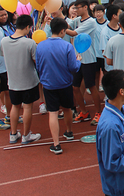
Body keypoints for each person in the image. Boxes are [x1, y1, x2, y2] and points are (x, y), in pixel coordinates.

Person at [36, 18, 81, 154]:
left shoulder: (40, 45)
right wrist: (78, 61)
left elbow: (38, 66)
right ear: (62, 31)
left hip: (49, 84)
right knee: (67, 109)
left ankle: (56, 143)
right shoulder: (67, 46)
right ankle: (69, 131)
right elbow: (73, 67)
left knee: (53, 113)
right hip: (65, 83)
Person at [0, 14, 41, 144]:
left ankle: (13, 134)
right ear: (28, 27)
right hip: (28, 80)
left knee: (15, 107)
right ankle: (26, 135)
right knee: (28, 107)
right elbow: (36, 61)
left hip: (12, 81)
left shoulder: (4, 41)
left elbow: (3, 54)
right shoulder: (29, 43)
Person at [65, 0, 102, 125]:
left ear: (85, 7)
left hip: (89, 59)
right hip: (78, 58)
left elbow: (73, 33)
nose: (75, 10)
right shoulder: (78, 20)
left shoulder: (91, 22)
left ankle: (98, 112)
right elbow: (68, 24)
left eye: (78, 7)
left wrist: (60, 28)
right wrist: (56, 18)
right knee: (75, 87)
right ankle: (84, 112)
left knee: (91, 86)